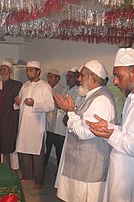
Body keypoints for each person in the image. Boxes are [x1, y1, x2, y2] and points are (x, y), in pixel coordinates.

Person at [86, 48, 134, 202]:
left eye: (118, 76)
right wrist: (110, 128)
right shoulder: (132, 97)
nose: (115, 81)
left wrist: (112, 135)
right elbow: (129, 131)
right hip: (119, 170)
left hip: (131, 178)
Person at [54, 60, 117, 202]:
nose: (79, 79)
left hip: (89, 168)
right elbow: (82, 120)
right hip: (80, 163)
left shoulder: (102, 100)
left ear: (92, 78)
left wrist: (70, 111)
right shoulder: (91, 95)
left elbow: (85, 132)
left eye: (82, 76)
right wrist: (71, 112)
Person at [14, 60, 54, 190]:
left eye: (31, 70)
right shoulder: (25, 85)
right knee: (24, 151)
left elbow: (50, 105)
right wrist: (17, 102)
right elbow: (19, 103)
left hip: (37, 127)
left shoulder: (45, 86)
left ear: (38, 72)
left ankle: (39, 180)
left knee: (37, 155)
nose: (28, 72)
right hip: (24, 124)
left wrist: (34, 104)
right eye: (27, 70)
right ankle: (27, 175)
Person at [54, 66, 83, 187]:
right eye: (67, 76)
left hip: (68, 126)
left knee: (63, 153)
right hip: (58, 126)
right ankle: (58, 173)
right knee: (58, 151)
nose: (68, 79)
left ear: (77, 78)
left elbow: (74, 108)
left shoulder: (78, 91)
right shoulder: (65, 88)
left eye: (70, 77)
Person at [0, 60, 23, 171]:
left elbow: (17, 101)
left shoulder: (17, 84)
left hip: (11, 118)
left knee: (12, 143)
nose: (3, 72)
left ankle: (14, 168)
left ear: (10, 71)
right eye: (1, 69)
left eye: (5, 69)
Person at [45, 69, 66, 167]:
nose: (49, 79)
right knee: (46, 148)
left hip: (57, 127)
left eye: (51, 77)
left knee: (59, 150)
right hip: (47, 125)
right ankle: (42, 167)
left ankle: (58, 170)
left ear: (58, 78)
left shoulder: (62, 89)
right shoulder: (45, 88)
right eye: (48, 77)